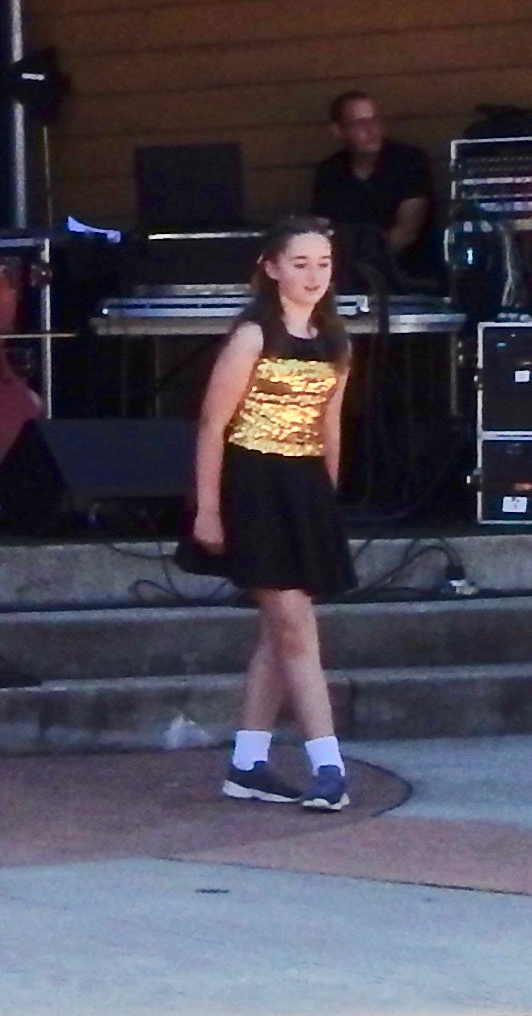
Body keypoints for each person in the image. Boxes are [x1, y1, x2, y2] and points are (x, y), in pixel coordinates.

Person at [183, 217, 358, 811]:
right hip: (253, 482)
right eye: (301, 263)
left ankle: (248, 762)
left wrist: (326, 497)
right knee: (294, 624)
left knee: (278, 629)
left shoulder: (336, 341)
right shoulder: (253, 336)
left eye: (323, 264)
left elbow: (330, 425)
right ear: (273, 268)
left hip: (304, 486)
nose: (314, 275)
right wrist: (208, 509)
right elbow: (213, 424)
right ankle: (328, 764)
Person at [309, 92, 436, 280]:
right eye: (359, 123)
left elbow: (408, 231)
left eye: (375, 120)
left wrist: (363, 265)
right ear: (338, 131)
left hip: (409, 274)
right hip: (344, 275)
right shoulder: (330, 171)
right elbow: (321, 230)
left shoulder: (410, 161)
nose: (371, 129)